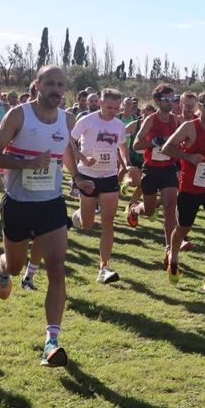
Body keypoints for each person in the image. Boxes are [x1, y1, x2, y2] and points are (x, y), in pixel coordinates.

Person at [0, 65, 92, 367]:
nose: (56, 90)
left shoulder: (68, 119)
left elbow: (66, 152)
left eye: (60, 85)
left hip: (50, 205)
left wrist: (77, 178)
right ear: (37, 85)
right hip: (18, 203)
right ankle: (4, 266)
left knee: (57, 265)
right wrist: (28, 163)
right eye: (50, 84)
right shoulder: (19, 115)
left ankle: (52, 341)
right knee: (17, 265)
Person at [163, 89, 205, 287]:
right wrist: (188, 157)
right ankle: (173, 256)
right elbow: (166, 148)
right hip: (190, 189)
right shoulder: (190, 127)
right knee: (183, 227)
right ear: (200, 106)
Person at [68, 88, 128, 283]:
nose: (113, 111)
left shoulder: (119, 124)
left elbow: (122, 145)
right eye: (110, 107)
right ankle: (76, 217)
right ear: (100, 103)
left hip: (109, 176)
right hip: (87, 176)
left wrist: (127, 164)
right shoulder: (87, 120)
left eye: (116, 108)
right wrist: (83, 158)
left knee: (108, 223)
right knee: (87, 224)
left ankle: (104, 268)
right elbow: (69, 142)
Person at [127, 84, 181, 259]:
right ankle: (134, 209)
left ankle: (169, 249)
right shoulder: (151, 120)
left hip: (168, 169)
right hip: (151, 170)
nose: (170, 103)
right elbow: (136, 144)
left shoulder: (176, 121)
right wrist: (153, 142)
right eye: (166, 99)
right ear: (157, 101)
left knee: (170, 208)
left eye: (172, 99)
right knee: (149, 211)